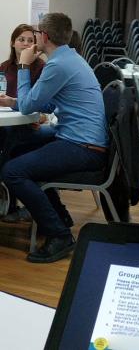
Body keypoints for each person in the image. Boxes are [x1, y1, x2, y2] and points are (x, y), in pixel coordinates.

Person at [1, 13, 108, 263]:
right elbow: (46, 104)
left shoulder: (58, 65)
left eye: (36, 33)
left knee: (13, 171)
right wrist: (14, 102)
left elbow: (30, 107)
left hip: (83, 147)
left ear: (44, 36)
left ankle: (59, 235)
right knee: (17, 150)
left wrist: (25, 65)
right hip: (81, 138)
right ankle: (58, 216)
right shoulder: (69, 59)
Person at [0, 24, 47, 223]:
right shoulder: (4, 67)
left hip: (31, 125)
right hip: (8, 122)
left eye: (30, 40)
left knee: (8, 137)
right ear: (13, 42)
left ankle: (7, 197)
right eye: (21, 39)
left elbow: (43, 105)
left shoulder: (42, 68)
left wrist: (40, 115)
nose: (26, 43)